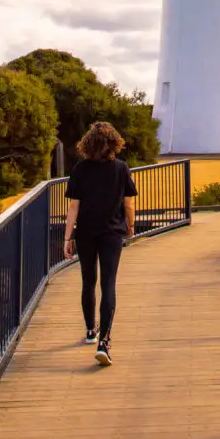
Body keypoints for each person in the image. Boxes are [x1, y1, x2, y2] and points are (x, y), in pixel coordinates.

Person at [63, 121, 137, 366]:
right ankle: (105, 342)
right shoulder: (121, 168)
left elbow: (74, 206)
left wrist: (67, 237)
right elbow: (128, 204)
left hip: (86, 233)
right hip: (112, 233)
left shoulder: (80, 169)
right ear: (114, 143)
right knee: (108, 283)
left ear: (88, 143)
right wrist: (131, 226)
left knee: (88, 281)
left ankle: (89, 331)